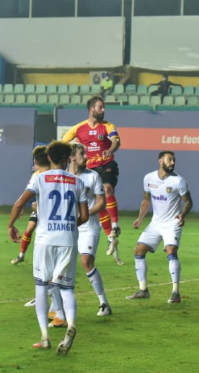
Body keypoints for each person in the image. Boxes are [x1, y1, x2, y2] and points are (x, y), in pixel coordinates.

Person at [7, 141, 88, 354]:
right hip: (68, 240)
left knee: (41, 287)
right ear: (67, 158)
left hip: (45, 239)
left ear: (49, 158)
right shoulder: (78, 182)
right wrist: (69, 226)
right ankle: (70, 325)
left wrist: (11, 225)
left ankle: (44, 336)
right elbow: (85, 216)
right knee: (67, 289)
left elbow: (19, 204)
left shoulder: (39, 179)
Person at [49, 142, 111, 321]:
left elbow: (101, 202)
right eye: (82, 154)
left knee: (86, 261)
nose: (86, 157)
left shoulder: (92, 176)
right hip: (68, 227)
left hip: (89, 226)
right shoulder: (63, 177)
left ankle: (103, 303)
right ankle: (55, 305)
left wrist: (85, 214)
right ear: (71, 157)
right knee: (58, 265)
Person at [62, 96, 124, 265]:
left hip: (106, 164)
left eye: (104, 107)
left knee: (107, 188)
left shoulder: (108, 126)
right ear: (91, 109)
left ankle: (115, 227)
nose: (103, 110)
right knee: (97, 204)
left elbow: (116, 141)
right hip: (90, 169)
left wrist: (110, 150)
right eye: (100, 107)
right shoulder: (78, 128)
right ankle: (110, 236)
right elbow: (63, 143)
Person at [126, 151, 193, 303]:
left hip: (172, 223)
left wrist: (182, 215)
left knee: (171, 251)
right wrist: (140, 218)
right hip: (156, 223)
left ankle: (175, 293)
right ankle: (143, 290)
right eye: (169, 160)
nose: (172, 163)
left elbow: (189, 202)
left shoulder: (178, 181)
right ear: (160, 160)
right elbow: (146, 200)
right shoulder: (149, 178)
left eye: (174, 160)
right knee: (139, 250)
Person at [11, 145, 50, 265]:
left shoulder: (55, 172)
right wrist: (21, 205)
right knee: (30, 228)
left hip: (52, 209)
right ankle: (21, 255)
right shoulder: (36, 176)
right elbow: (27, 192)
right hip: (39, 207)